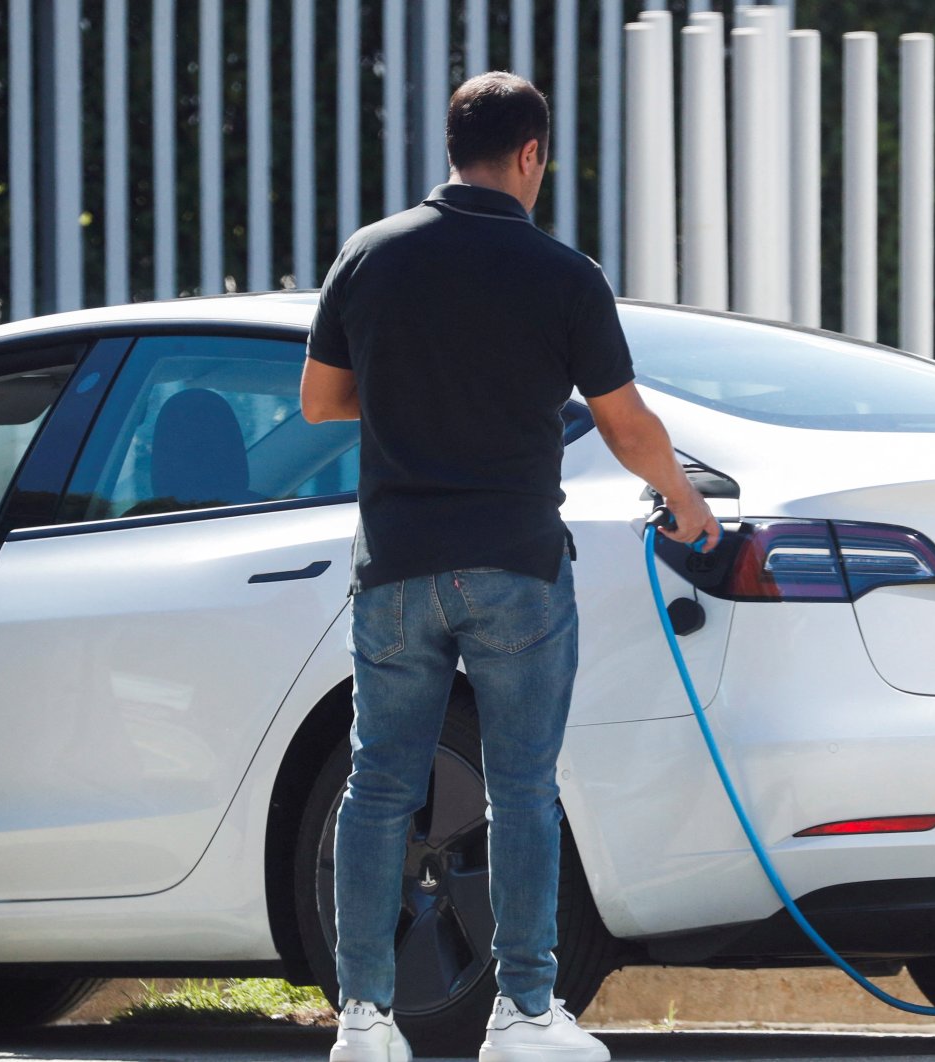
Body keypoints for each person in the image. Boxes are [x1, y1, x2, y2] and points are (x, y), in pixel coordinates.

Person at [300, 71, 720, 1062]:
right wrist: (685, 496)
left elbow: (321, 401)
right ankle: (524, 1017)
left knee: (377, 788)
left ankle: (363, 1022)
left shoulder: (370, 255)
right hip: (515, 569)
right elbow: (625, 424)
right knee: (521, 789)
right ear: (530, 155)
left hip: (397, 568)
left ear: (454, 146)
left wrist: (415, 397)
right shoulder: (562, 275)